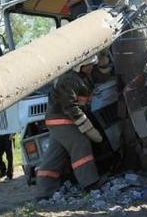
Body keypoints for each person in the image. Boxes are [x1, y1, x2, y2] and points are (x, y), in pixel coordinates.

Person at [35, 55, 104, 201]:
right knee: (80, 144)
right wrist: (88, 128)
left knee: (55, 155)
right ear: (79, 66)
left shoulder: (84, 76)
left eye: (92, 64)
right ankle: (90, 184)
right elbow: (70, 107)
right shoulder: (69, 80)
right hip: (61, 119)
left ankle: (44, 192)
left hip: (60, 120)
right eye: (88, 65)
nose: (91, 66)